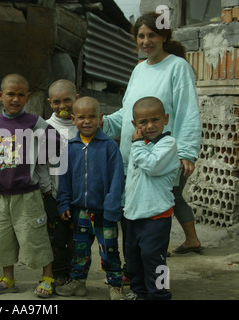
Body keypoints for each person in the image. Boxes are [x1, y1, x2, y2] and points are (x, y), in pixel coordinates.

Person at [102, 12, 202, 259]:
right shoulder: (138, 69)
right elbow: (128, 113)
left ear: (164, 36)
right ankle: (135, 273)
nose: (146, 41)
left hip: (161, 156)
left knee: (156, 217)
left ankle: (156, 284)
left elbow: (188, 111)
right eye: (141, 36)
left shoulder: (177, 67)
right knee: (133, 216)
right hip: (132, 155)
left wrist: (187, 152)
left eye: (152, 35)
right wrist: (101, 124)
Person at [0, 74, 62, 298]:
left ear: (27, 97)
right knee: (3, 239)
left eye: (21, 95)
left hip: (27, 194)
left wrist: (38, 158)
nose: (15, 99)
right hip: (0, 195)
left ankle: (47, 277)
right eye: (10, 94)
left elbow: (56, 143)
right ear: (0, 96)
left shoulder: (35, 122)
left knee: (35, 236)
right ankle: (8, 278)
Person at [56, 96, 125, 300]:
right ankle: (78, 282)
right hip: (80, 211)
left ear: (100, 118)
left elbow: (116, 179)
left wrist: (113, 207)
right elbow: (64, 179)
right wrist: (63, 203)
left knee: (110, 250)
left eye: (92, 117)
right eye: (82, 117)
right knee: (79, 250)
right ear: (73, 119)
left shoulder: (109, 146)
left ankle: (115, 286)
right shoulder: (70, 147)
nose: (87, 121)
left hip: (105, 212)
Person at [123, 97, 180, 300]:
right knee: (134, 256)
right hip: (134, 214)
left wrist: (137, 144)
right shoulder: (140, 144)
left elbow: (152, 165)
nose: (150, 126)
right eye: (143, 122)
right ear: (135, 125)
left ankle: (160, 293)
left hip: (157, 214)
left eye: (155, 119)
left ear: (165, 118)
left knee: (155, 257)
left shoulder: (168, 144)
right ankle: (139, 291)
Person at [42, 79, 79, 287]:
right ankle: (58, 274)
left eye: (67, 100)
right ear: (49, 102)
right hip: (53, 196)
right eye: (56, 102)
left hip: (79, 197)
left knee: (78, 239)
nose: (62, 106)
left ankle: (77, 275)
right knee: (55, 239)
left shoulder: (82, 126)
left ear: (77, 98)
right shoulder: (45, 128)